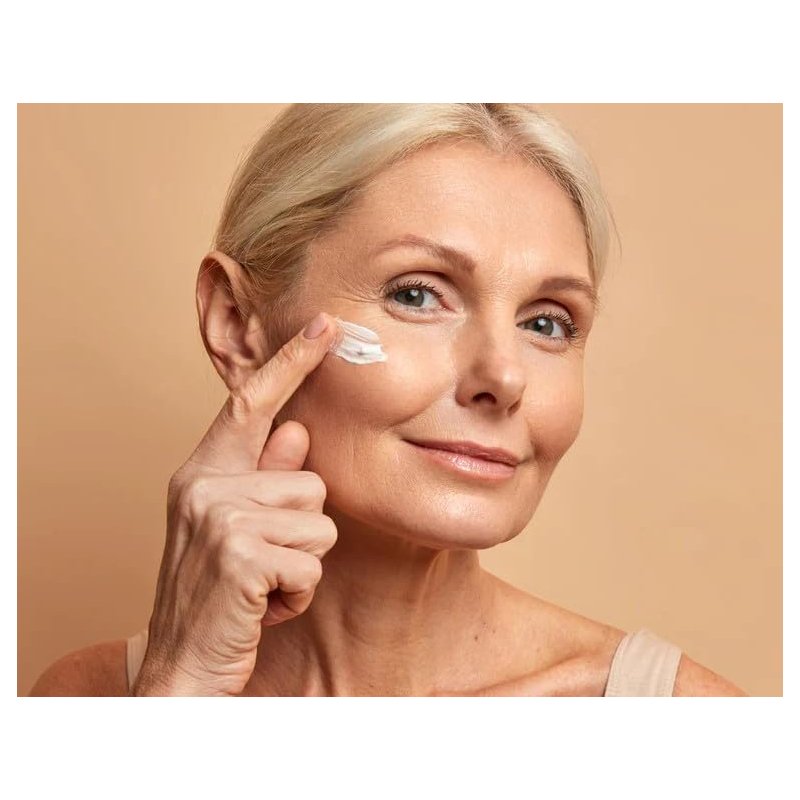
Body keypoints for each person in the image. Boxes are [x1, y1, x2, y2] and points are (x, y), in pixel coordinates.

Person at [30, 103, 746, 696]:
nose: (504, 377)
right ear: (238, 323)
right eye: (417, 294)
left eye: (546, 323)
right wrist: (180, 689)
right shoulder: (92, 699)